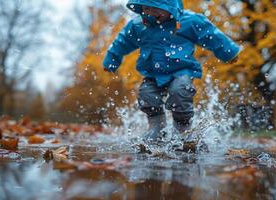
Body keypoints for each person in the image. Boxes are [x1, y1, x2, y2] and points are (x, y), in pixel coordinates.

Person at [103, 0, 240, 141]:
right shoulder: (139, 25)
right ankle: (157, 127)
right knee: (146, 95)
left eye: (155, 8)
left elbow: (211, 35)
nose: (149, 13)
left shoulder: (189, 21)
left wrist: (229, 52)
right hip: (152, 73)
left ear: (170, 6)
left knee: (180, 92)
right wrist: (111, 60)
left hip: (182, 70)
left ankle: (183, 128)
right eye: (145, 8)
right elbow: (122, 41)